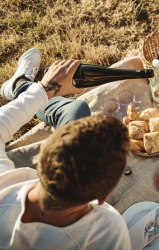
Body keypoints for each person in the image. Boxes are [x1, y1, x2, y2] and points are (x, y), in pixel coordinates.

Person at [0, 56, 132, 249]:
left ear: (43, 148)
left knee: (76, 109)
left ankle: (21, 85)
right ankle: (21, 85)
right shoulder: (108, 230)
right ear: (103, 198)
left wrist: (46, 87)